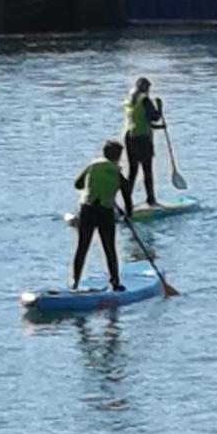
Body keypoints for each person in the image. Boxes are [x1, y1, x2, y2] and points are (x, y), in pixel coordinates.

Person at [72, 140, 133, 291]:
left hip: (87, 209)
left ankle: (75, 282)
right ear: (118, 156)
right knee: (109, 248)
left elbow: (77, 184)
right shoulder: (116, 172)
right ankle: (116, 282)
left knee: (82, 246)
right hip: (105, 212)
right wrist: (128, 213)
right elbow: (127, 192)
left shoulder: (93, 165)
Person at [122, 76, 165, 207]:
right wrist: (160, 108)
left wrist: (158, 128)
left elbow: (140, 119)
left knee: (133, 170)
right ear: (146, 88)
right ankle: (151, 200)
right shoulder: (144, 100)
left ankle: (126, 200)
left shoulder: (130, 101)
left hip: (130, 136)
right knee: (147, 169)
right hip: (142, 139)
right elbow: (154, 117)